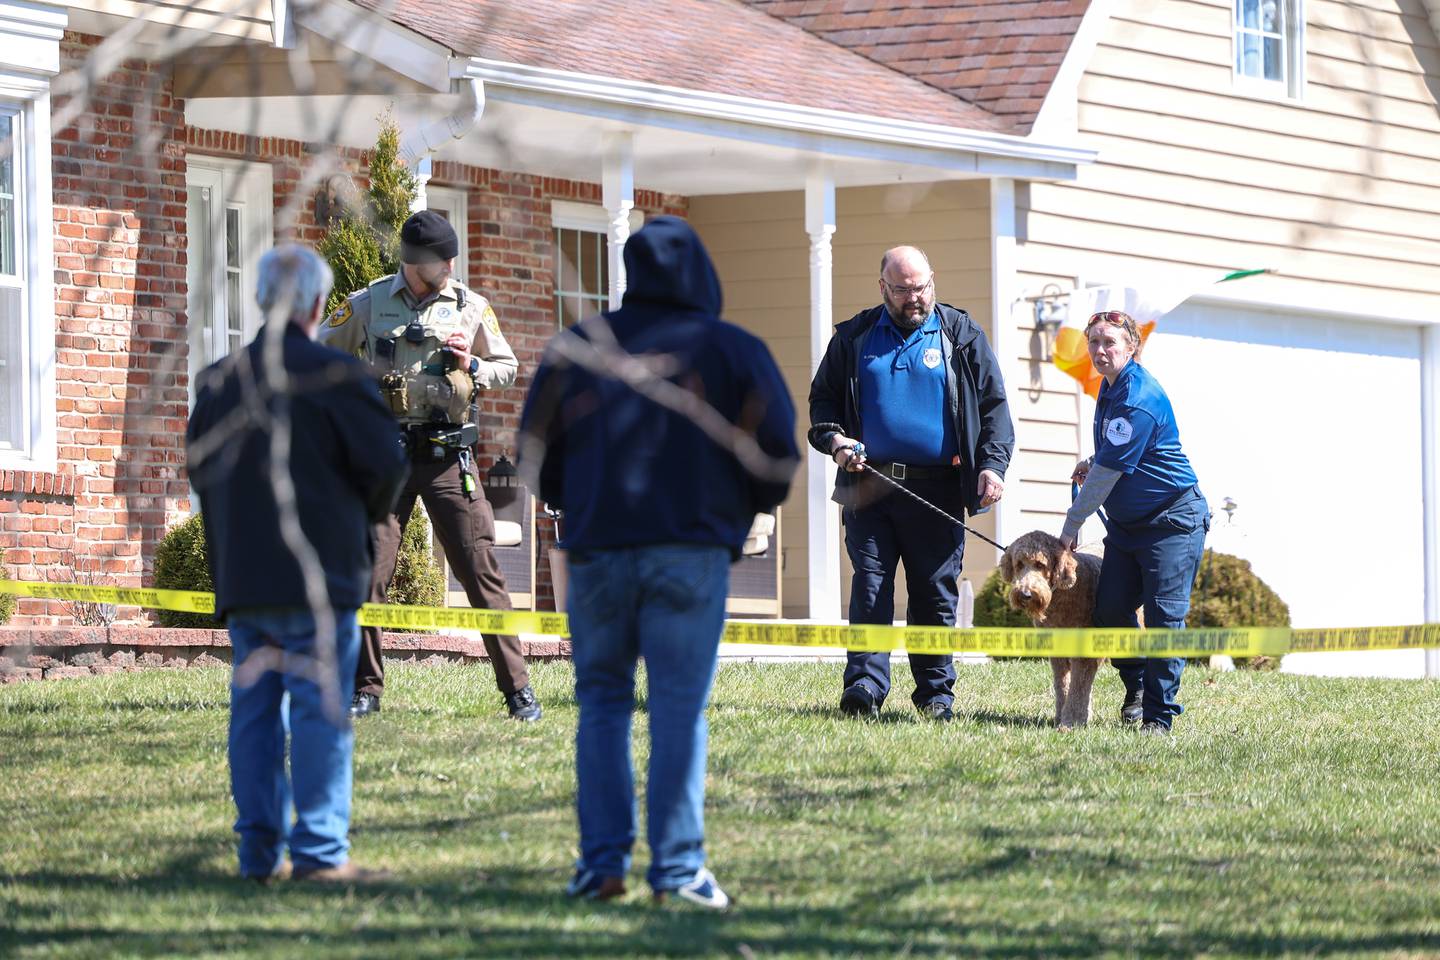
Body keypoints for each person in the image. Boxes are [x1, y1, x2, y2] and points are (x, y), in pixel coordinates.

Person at [518, 216, 799, 908]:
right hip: (691, 550)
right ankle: (677, 870)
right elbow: (779, 454)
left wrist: (573, 501)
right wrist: (738, 512)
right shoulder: (734, 349)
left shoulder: (579, 346)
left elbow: (534, 456)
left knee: (603, 705)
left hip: (596, 552)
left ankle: (601, 865)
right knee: (678, 709)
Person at [186, 244, 409, 883]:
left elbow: (201, 470)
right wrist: (359, 517)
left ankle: (259, 854)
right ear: (318, 304)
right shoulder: (338, 378)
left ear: (261, 301)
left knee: (255, 714)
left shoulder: (219, 381)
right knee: (319, 711)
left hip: (249, 576)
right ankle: (318, 853)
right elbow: (388, 468)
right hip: (320, 576)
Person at [323, 210, 542, 721]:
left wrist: (473, 365)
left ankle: (518, 693)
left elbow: (508, 368)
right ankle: (366, 691)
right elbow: (317, 354)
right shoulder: (368, 302)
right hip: (384, 461)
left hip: (447, 459)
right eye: (442, 259)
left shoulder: (470, 306)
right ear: (415, 261)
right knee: (366, 578)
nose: (450, 265)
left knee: (482, 573)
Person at [808, 246, 1014, 721]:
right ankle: (864, 688)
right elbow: (823, 404)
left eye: (921, 287)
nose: (914, 298)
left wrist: (992, 466)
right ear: (883, 288)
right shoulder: (855, 336)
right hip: (869, 483)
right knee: (871, 587)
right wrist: (836, 440)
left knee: (934, 592)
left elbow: (994, 408)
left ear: (931, 281)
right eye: (902, 290)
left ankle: (935, 695)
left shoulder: (960, 333)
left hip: (938, 488)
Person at [1058, 310, 1210, 736]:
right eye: (1094, 342)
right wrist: (1095, 460)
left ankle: (1158, 719)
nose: (1101, 350)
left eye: (1110, 343)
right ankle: (1138, 686)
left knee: (1164, 619)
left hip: (1173, 522)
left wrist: (1070, 527)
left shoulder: (1138, 396)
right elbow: (1114, 456)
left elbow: (1110, 472)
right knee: (1109, 609)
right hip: (1127, 529)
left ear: (1132, 347)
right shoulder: (1109, 389)